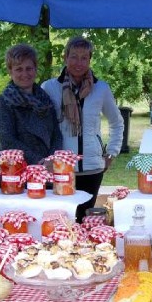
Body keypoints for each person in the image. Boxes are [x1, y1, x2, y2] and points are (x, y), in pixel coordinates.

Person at [42, 36, 124, 220]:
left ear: (89, 60)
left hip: (91, 166)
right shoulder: (49, 87)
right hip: (60, 167)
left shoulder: (100, 88)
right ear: (65, 58)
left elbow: (117, 122)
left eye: (84, 57)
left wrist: (111, 152)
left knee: (85, 219)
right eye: (73, 56)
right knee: (61, 219)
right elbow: (41, 125)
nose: (78, 62)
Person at [0, 44, 62, 164]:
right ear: (10, 71)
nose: (25, 74)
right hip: (14, 169)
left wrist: (51, 159)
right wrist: (39, 161)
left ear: (36, 69)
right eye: (19, 69)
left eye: (29, 68)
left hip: (46, 168)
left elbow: (56, 133)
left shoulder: (45, 99)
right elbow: (8, 141)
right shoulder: (3, 102)